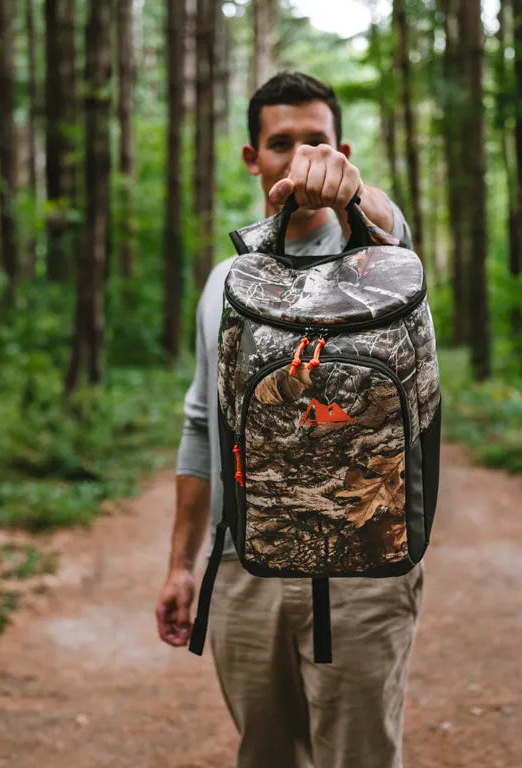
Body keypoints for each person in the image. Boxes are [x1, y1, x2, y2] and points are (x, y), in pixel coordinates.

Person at [155, 72, 422, 768]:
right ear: (253, 157)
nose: (300, 157)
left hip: (365, 566)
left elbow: (395, 227)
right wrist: (183, 566)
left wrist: (356, 192)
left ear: (342, 149)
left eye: (317, 142)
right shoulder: (226, 280)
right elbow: (198, 423)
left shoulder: (382, 267)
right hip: (243, 570)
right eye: (282, 143)